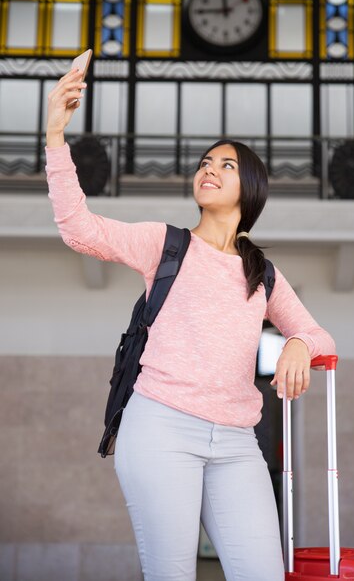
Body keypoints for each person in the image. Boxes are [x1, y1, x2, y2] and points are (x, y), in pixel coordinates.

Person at [45, 67, 336, 581]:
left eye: (226, 164)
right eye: (205, 162)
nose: (210, 169)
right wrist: (54, 136)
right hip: (160, 426)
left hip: (236, 442)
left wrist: (296, 342)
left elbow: (319, 335)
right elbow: (79, 230)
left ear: (250, 187)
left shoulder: (261, 272)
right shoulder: (167, 244)